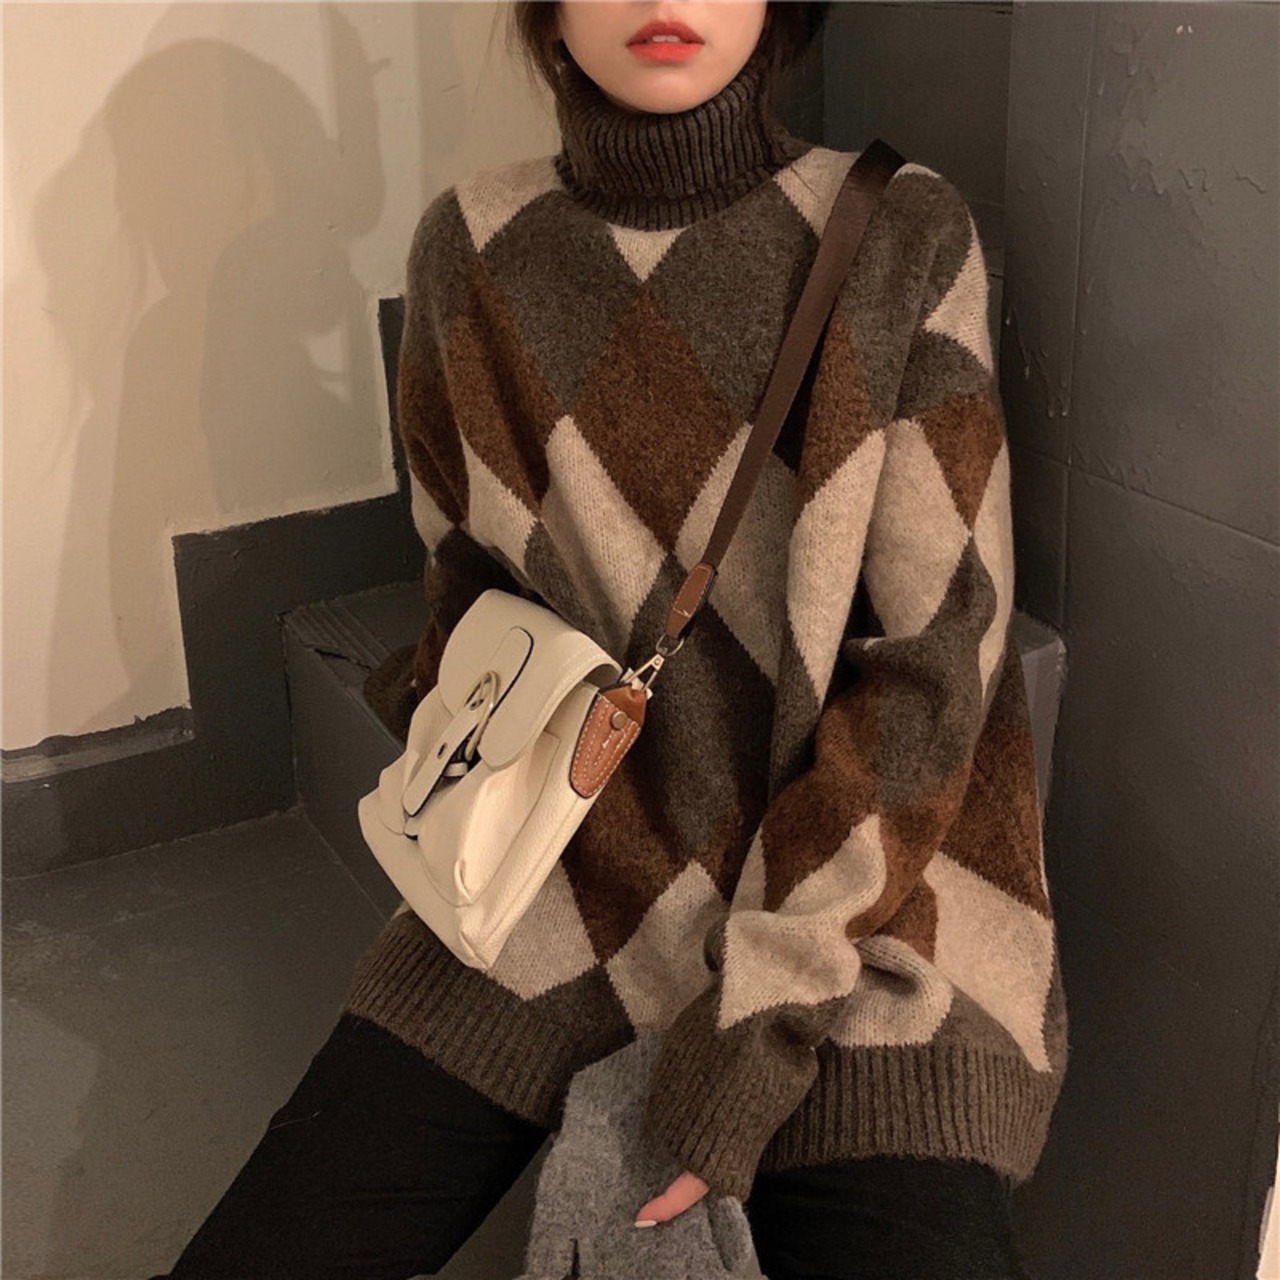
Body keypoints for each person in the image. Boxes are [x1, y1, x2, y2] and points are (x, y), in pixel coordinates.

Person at [155, 3, 1067, 1277]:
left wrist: (759, 1009)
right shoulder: (471, 249)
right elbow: (469, 592)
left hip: (863, 917)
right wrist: (469, 747)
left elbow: (932, 674)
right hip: (561, 873)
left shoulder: (903, 235)